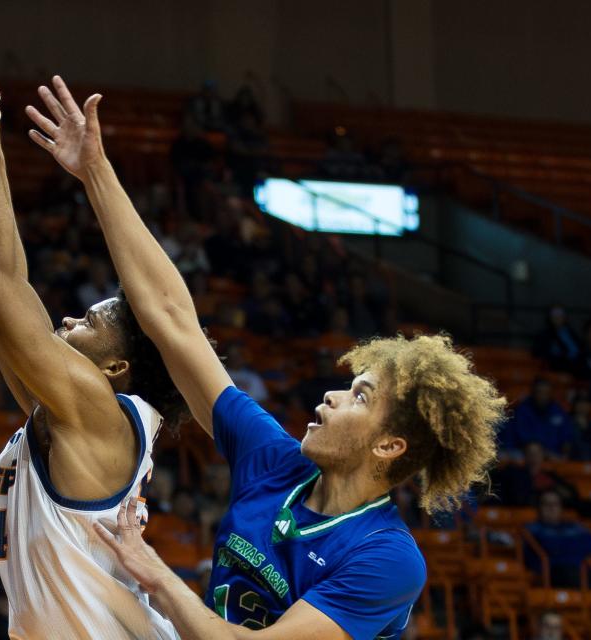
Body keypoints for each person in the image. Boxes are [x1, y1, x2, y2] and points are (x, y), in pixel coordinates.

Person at [26, 74, 505, 639]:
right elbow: (175, 323)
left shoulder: (387, 558)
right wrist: (95, 171)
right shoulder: (276, 462)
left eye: (361, 397)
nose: (332, 394)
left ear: (390, 445)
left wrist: (158, 575)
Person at [0, 35, 191, 640]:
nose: (69, 322)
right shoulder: (67, 413)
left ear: (118, 366)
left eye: (90, 323)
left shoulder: (97, 414)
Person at [524, 490, 591, 588]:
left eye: (555, 504)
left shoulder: (574, 527)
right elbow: (550, 546)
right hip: (553, 573)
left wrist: (561, 546)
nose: (551, 508)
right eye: (546, 504)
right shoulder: (532, 528)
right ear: (539, 507)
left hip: (580, 571)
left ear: (561, 507)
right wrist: (573, 545)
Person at [498, 378, 574, 458]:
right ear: (533, 393)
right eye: (540, 392)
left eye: (546, 393)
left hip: (554, 456)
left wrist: (565, 453)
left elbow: (566, 438)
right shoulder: (523, 410)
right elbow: (525, 441)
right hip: (526, 455)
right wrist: (545, 453)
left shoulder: (558, 411)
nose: (543, 396)